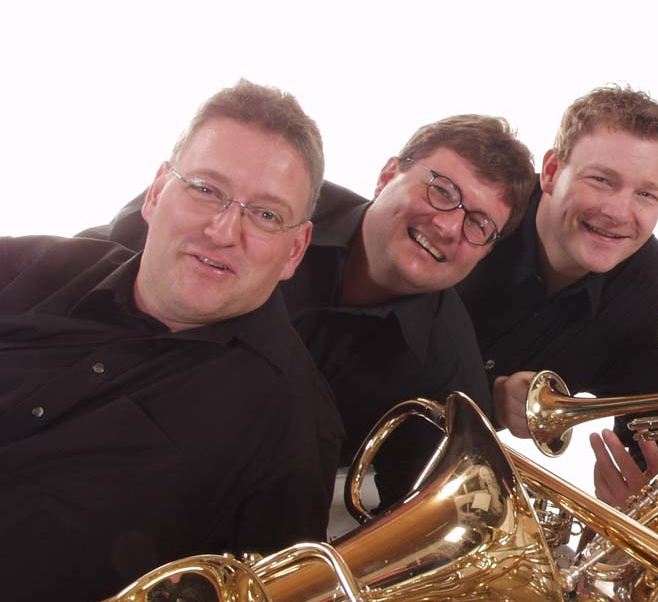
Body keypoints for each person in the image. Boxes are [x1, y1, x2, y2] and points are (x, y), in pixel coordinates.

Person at [1, 80, 342, 602]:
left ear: (294, 250)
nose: (223, 230)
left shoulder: (292, 431)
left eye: (265, 215)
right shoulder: (31, 265)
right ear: (158, 191)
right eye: (206, 189)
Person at [88, 115, 537, 504]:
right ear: (387, 175)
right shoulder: (276, 202)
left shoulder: (452, 373)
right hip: (102, 412)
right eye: (441, 190)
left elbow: (421, 516)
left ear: (486, 251)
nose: (448, 226)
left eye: (479, 224)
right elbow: (98, 266)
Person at [458, 86, 658, 451]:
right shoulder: (482, 210)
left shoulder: (652, 287)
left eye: (646, 194)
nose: (618, 213)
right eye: (601, 180)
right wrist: (483, 395)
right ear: (552, 172)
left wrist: (641, 478)